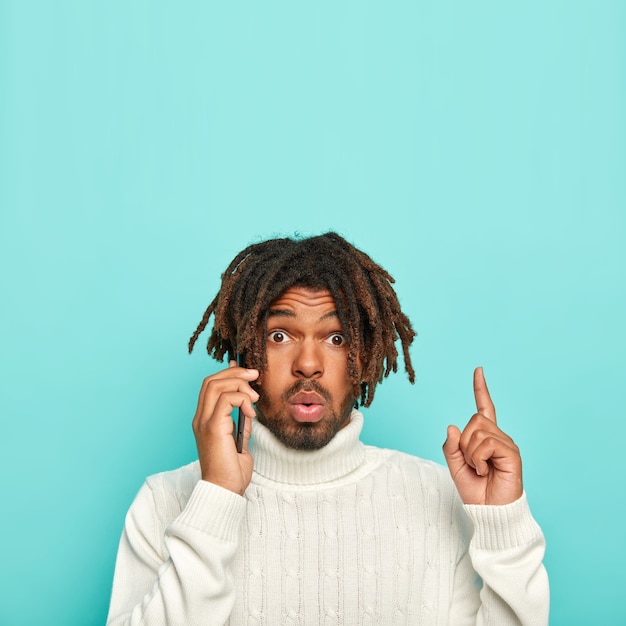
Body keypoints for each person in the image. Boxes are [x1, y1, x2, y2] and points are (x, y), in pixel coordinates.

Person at [106, 232, 549, 625]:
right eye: (280, 335)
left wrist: (503, 528)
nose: (309, 364)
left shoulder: (435, 496)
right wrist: (216, 497)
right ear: (244, 353)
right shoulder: (166, 501)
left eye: (336, 338)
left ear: (366, 356)